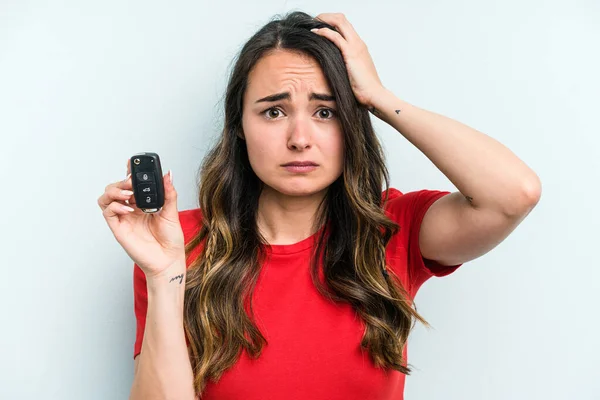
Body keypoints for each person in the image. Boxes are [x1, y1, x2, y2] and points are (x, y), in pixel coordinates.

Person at [97, 11, 541, 400]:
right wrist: (163, 275)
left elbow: (513, 194)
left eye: (326, 112)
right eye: (274, 111)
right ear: (239, 126)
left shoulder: (392, 228)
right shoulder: (176, 244)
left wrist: (380, 99)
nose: (300, 138)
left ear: (351, 123)